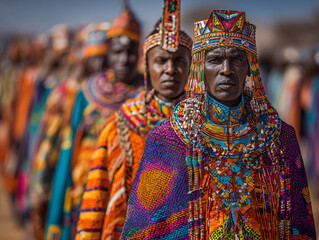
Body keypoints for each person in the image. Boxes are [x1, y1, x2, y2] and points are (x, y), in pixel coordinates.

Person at [121, 10, 316, 239]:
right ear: (200, 68)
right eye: (215, 59)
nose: (226, 70)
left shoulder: (280, 137)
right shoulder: (168, 138)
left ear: (250, 68)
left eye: (236, 59)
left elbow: (299, 226)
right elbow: (146, 228)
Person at [75, 1, 192, 240]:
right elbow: (97, 198)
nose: (170, 70)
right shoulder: (122, 124)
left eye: (179, 61)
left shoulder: (207, 125)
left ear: (190, 66)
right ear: (147, 66)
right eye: (161, 61)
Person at [45, 6, 143, 240]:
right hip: (86, 190)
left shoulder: (147, 94)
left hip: (131, 198)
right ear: (108, 53)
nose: (124, 59)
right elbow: (70, 147)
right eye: (117, 52)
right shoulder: (87, 93)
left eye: (130, 52)